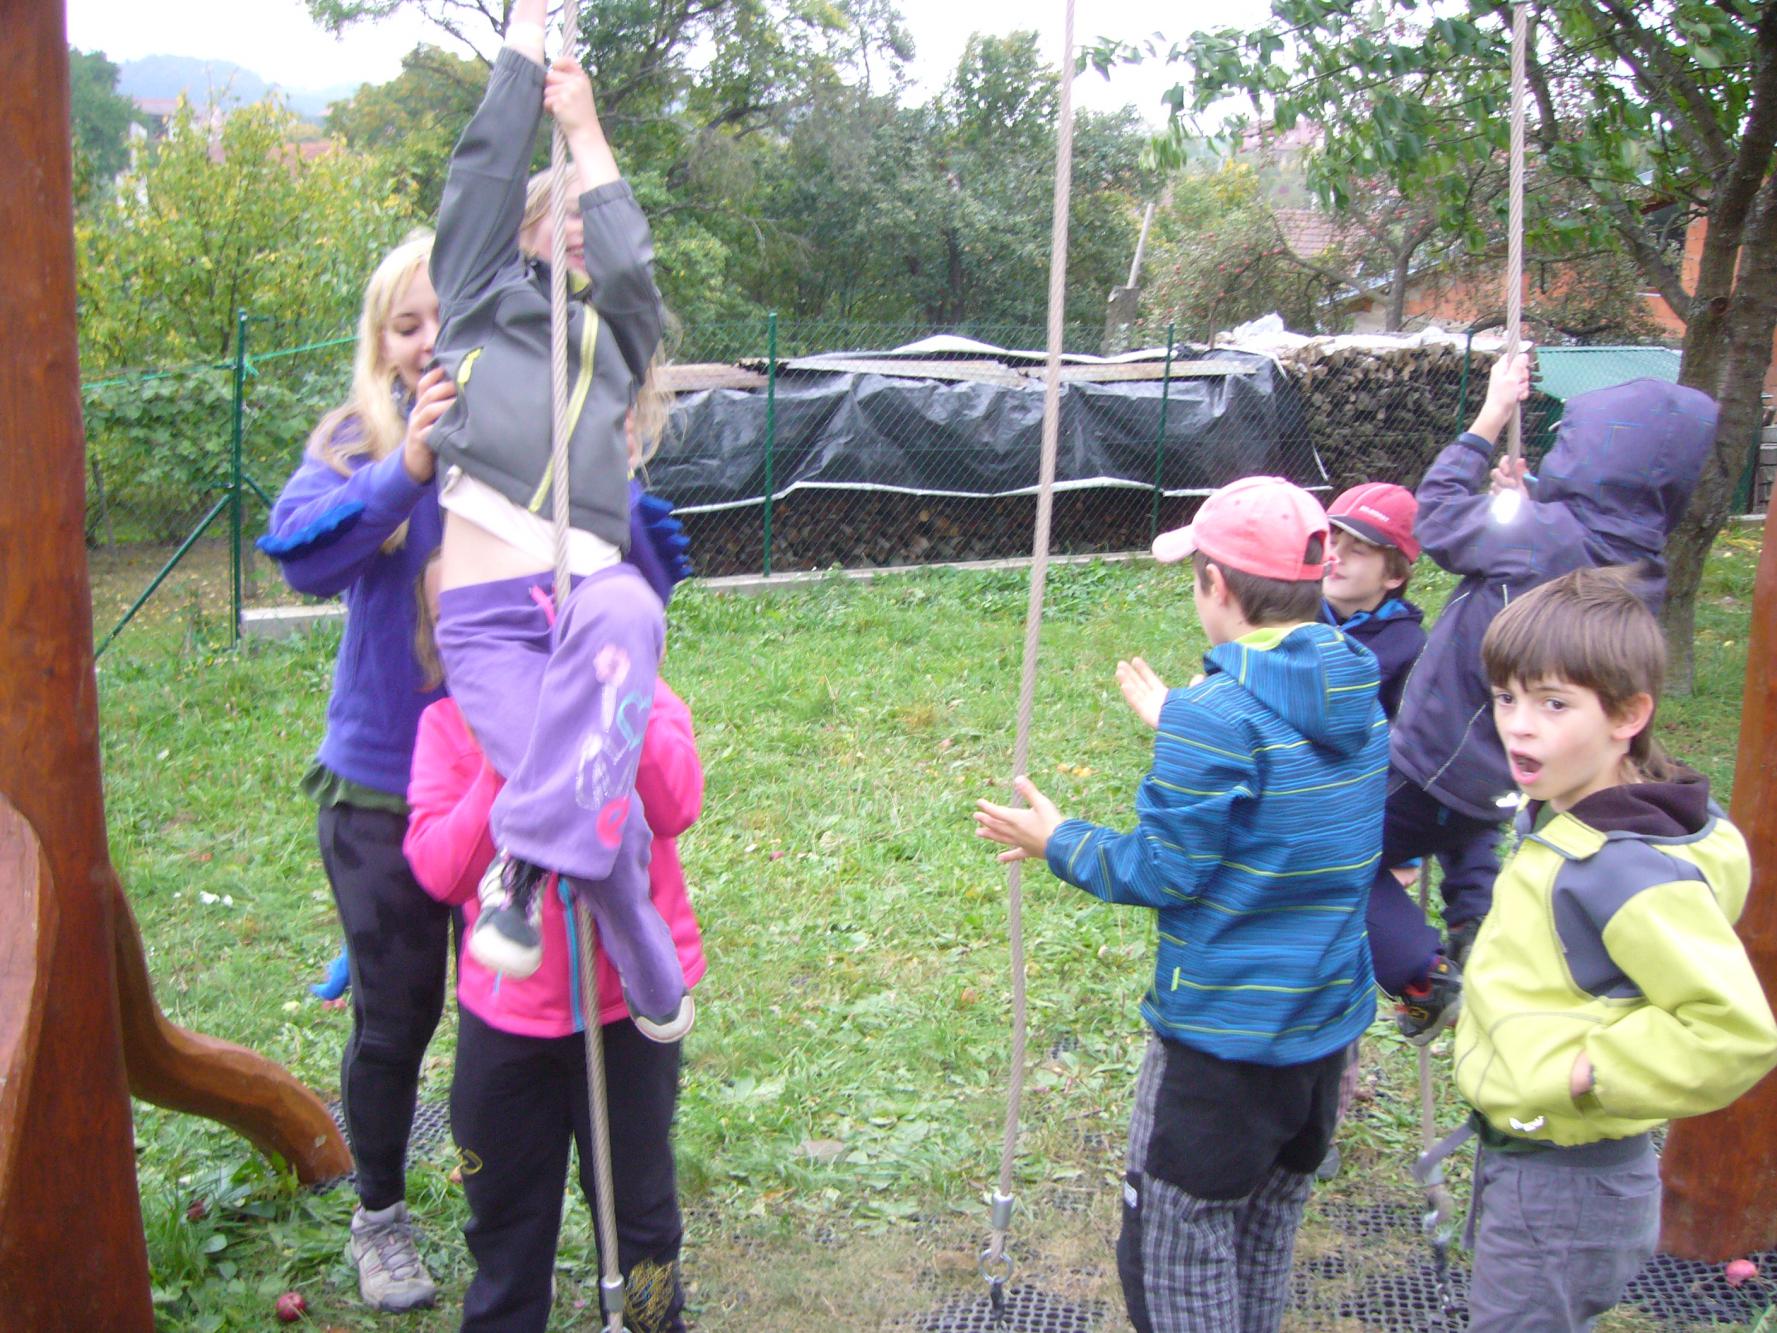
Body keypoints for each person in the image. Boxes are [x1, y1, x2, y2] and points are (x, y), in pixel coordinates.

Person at [975, 476, 1384, 1333]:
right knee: (1264, 1232)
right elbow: (1287, 798)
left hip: (1222, 1052)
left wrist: (1058, 839)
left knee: (1176, 1252)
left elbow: (1163, 871)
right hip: (1322, 1038)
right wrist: (1187, 725)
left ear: (1217, 586)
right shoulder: (1355, 690)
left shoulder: (1215, 714)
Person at [424, 0, 690, 1040]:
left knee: (631, 610)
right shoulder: (475, 298)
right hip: (490, 618)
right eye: (563, 209)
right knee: (583, 798)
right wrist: (526, 35)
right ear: (523, 223)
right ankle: (621, 914)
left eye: (594, 211)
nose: (583, 223)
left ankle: (522, 872)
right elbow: (484, 168)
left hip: (587, 599)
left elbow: (630, 268)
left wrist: (584, 130)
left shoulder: (618, 338)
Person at [1452, 567, 1777, 1331]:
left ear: (1628, 713)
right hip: (1534, 1162)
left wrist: (1585, 1071)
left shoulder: (1620, 866)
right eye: (1505, 697)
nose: (1517, 725)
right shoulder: (1569, 813)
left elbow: (1731, 1030)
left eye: (1552, 703)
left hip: (1567, 1184)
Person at [404, 557, 705, 1333]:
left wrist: (615, 707)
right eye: (461, 625)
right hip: (506, 1019)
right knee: (504, 1212)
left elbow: (676, 801)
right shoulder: (446, 733)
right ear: (445, 643)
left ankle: (651, 1320)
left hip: (624, 1014)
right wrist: (509, 758)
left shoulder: (644, 696)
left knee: (640, 1210)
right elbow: (440, 869)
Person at [1383, 352, 1718, 1041]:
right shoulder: (1638, 563)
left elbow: (1437, 518)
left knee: (1329, 854)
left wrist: (1489, 418)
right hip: (1511, 778)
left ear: (1592, 454)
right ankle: (1476, 936)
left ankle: (1423, 975)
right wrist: (1532, 499)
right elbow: (1558, 553)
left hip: (1435, 758)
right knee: (1464, 842)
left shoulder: (1542, 535)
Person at [258, 232, 459, 1313]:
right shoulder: (356, 439)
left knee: (512, 1017)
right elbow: (297, 553)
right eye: (407, 323)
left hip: (500, 792)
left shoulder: (529, 436)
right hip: (380, 790)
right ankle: (379, 1218)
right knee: (398, 1018)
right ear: (380, 344)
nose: (431, 342)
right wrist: (406, 469)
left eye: (447, 318)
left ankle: (504, 1198)